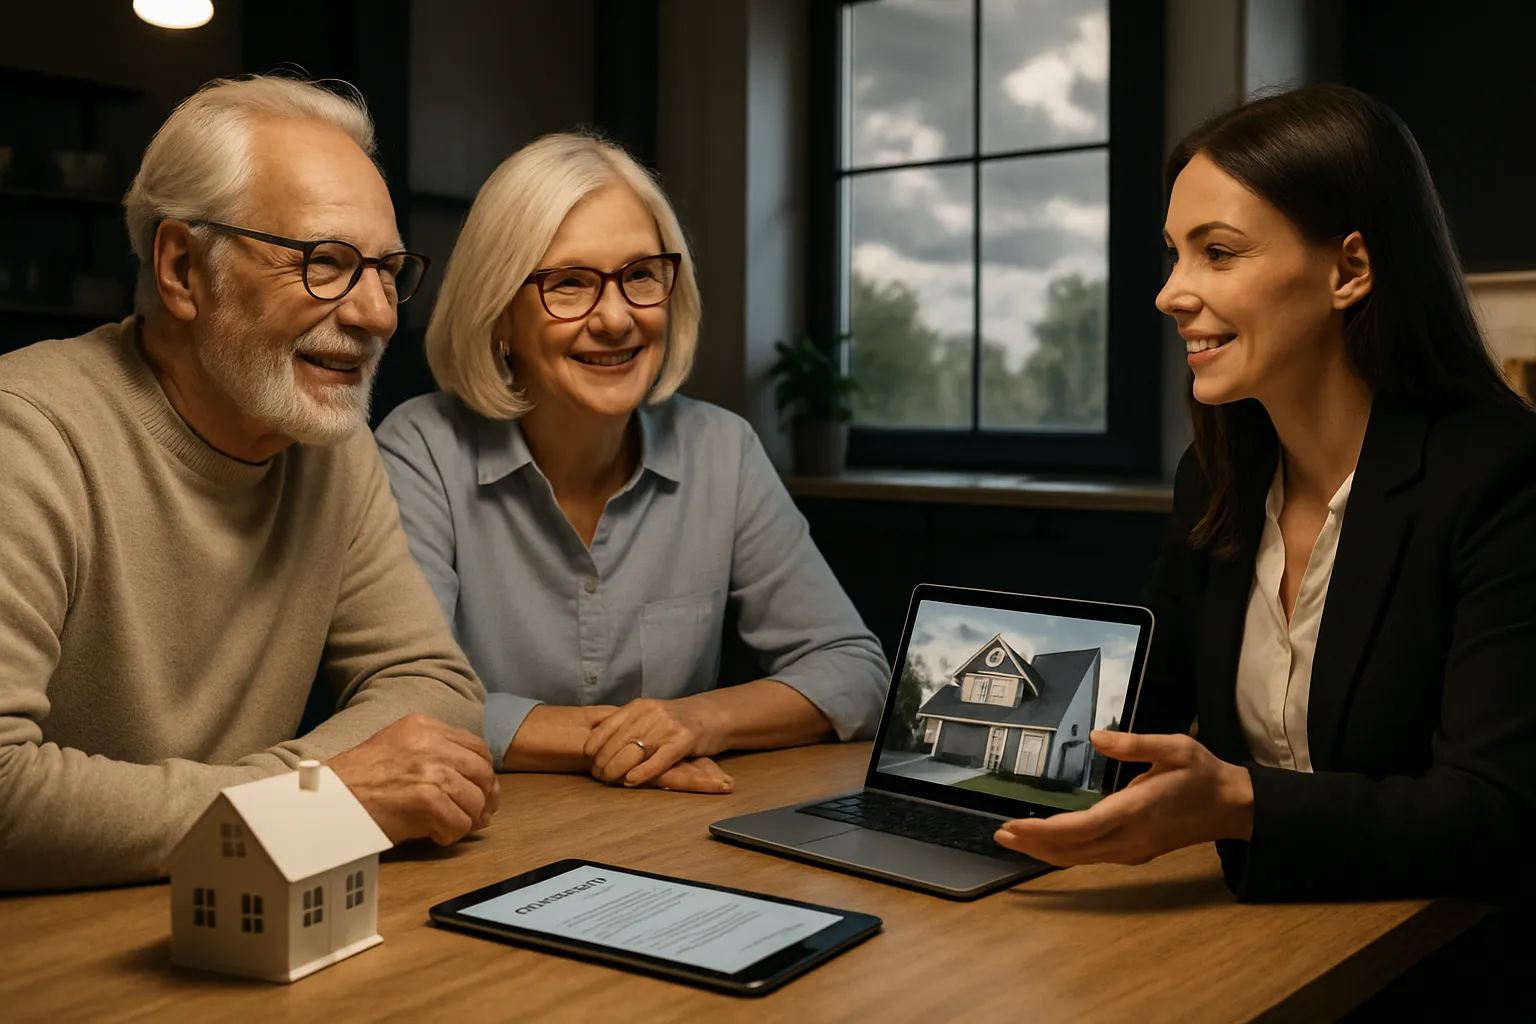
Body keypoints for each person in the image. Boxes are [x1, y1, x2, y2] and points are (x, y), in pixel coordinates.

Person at [993, 84, 1536, 902]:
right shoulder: (1217, 476)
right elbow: (1148, 709)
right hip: (1264, 929)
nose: (1171, 292)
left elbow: (1497, 814)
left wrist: (1239, 804)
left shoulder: (1502, 476)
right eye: (1174, 253)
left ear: (1349, 268)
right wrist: (958, 738)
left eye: (1218, 252)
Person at [0, 76, 498, 892]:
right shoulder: (26, 434)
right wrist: (318, 799)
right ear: (182, 269)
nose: (377, 314)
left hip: (240, 912)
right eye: (326, 262)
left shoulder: (330, 444)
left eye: (385, 270)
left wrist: (272, 805)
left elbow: (436, 691)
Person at [376, 133, 889, 793]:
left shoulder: (722, 449)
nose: (616, 318)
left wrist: (699, 721)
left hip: (663, 840)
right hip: (481, 839)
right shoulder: (420, 450)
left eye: (641, 274)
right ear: (498, 313)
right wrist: (633, 740)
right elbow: (407, 701)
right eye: (569, 283)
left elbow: (853, 670)